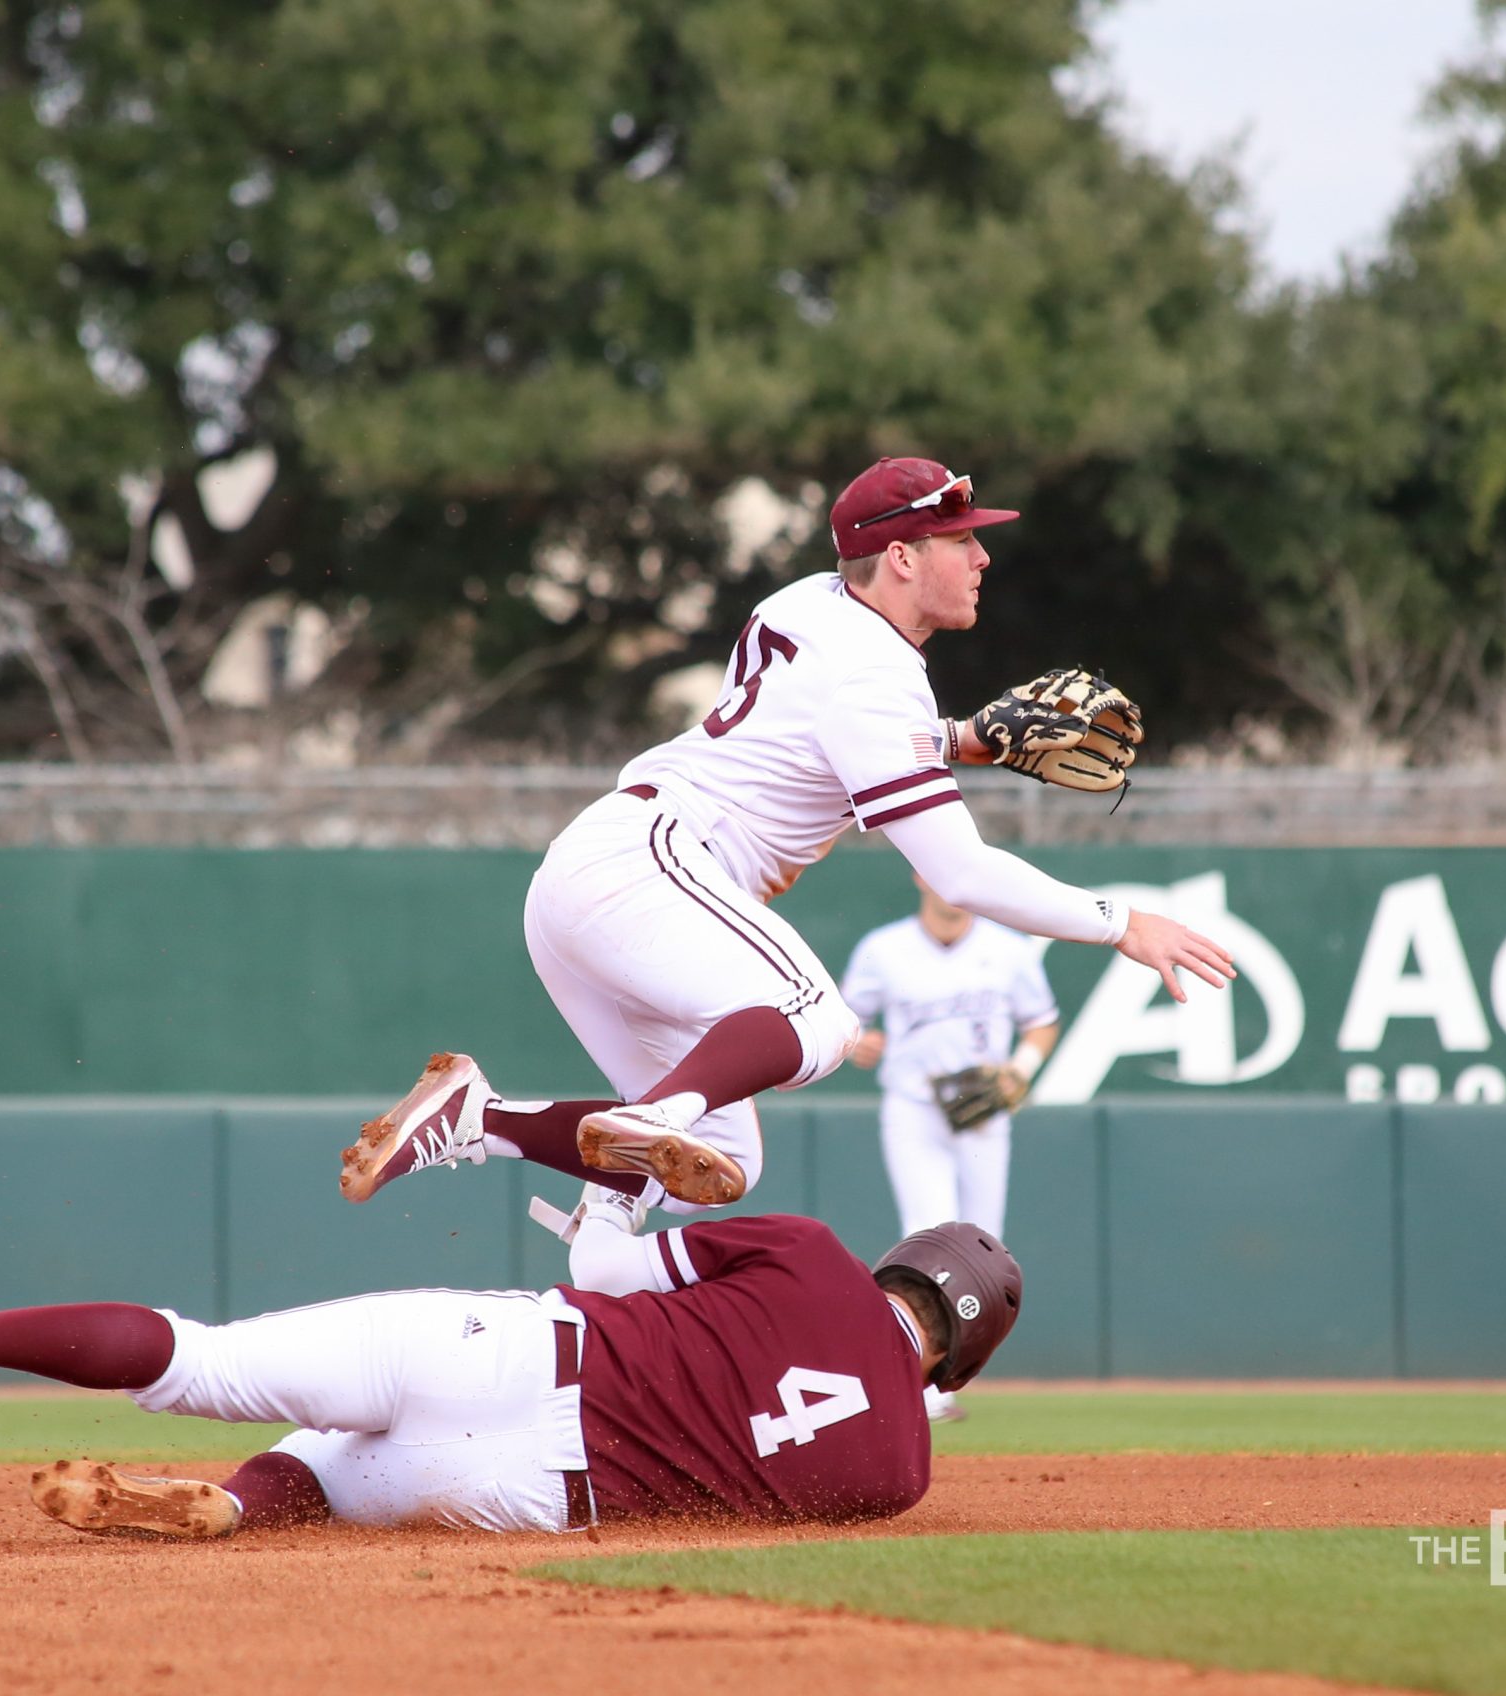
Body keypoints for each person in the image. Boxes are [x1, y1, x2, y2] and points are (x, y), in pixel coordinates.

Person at [337, 456, 1234, 1235]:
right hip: (653, 867)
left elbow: (829, 738)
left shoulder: (811, 601)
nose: (982, 556)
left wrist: (960, 737)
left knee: (717, 1160)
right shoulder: (877, 676)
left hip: (594, 879)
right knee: (818, 1018)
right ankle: (660, 1115)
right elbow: (959, 869)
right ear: (902, 557)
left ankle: (482, 1125)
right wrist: (1122, 923)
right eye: (961, 539)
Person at [0, 1215, 1021, 1538]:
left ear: (895, 1264)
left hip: (523, 1348)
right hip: (535, 1498)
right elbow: (839, 1417)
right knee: (326, 1476)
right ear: (960, 1357)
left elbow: (612, 1261)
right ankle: (233, 1507)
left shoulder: (804, 1255)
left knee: (206, 1354)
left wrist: (608, 1187)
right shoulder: (898, 1475)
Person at [843, 876, 1057, 1423]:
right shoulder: (883, 949)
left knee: (984, 1248)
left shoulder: (1008, 951)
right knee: (928, 1235)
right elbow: (845, 1020)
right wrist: (853, 1040)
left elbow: (1041, 1023)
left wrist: (1021, 1069)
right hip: (913, 1106)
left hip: (982, 1112)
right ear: (917, 875)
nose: (951, 886)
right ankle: (925, 1388)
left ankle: (950, 1372)